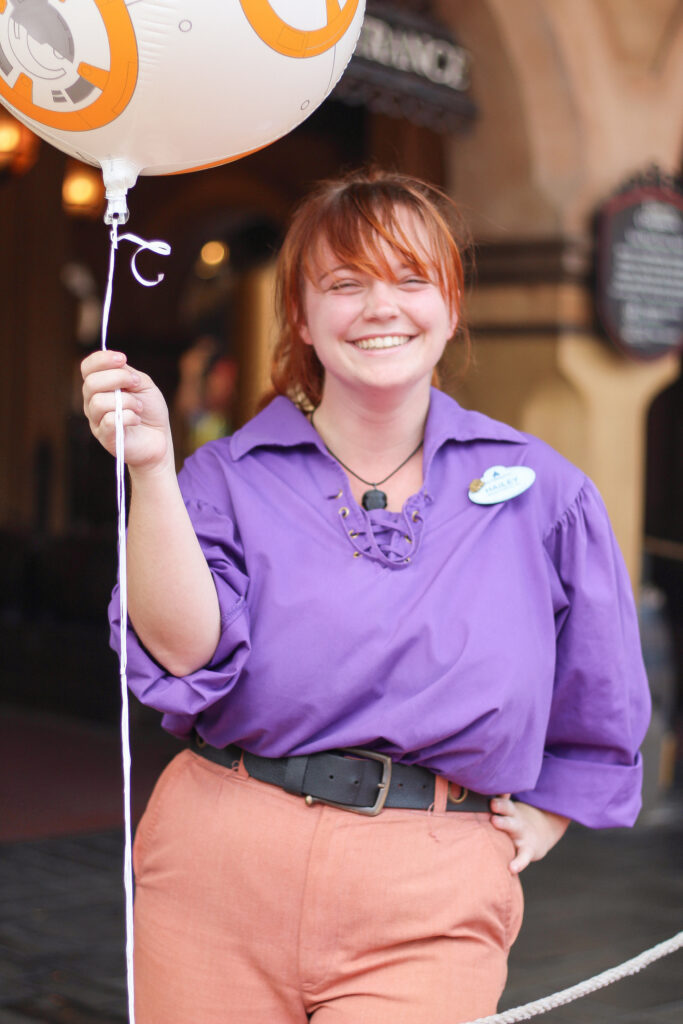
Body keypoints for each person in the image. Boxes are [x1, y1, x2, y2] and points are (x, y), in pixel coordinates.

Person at [81, 169, 651, 1024]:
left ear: (449, 307)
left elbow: (599, 688)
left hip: (428, 886)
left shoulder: (543, 489)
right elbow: (186, 651)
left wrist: (547, 820)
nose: (380, 307)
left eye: (411, 280)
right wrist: (152, 470)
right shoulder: (225, 477)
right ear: (303, 319)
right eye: (345, 284)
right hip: (216, 867)